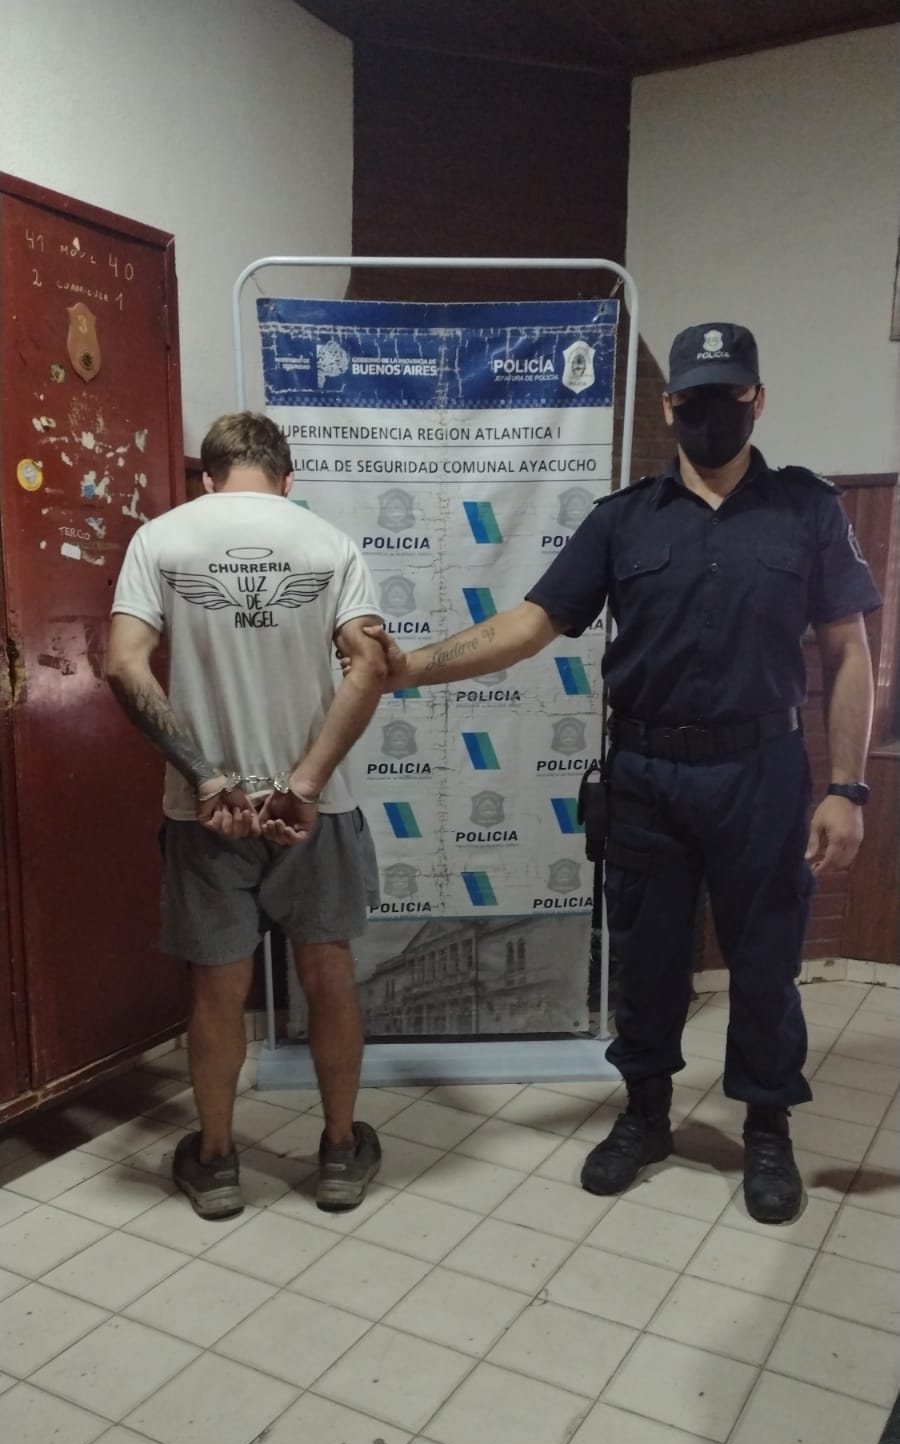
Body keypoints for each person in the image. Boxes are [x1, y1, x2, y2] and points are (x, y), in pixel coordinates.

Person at [354, 323, 882, 1224]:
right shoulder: (622, 519)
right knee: (647, 960)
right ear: (669, 406)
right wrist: (410, 668)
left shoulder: (808, 510)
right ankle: (645, 1115)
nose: (711, 413)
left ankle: (766, 1127)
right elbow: (530, 624)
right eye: (694, 398)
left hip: (760, 775)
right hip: (646, 776)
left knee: (764, 965)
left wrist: (847, 787)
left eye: (729, 395)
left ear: (758, 399)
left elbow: (848, 650)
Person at [108, 412, 386, 1219]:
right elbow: (369, 665)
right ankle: (340, 1153)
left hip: (208, 812)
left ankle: (218, 1163)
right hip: (315, 808)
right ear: (287, 478)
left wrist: (205, 777)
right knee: (328, 976)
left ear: (208, 476)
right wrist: (306, 781)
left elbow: (122, 665)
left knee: (217, 990)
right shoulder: (329, 544)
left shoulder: (161, 539)